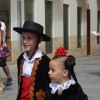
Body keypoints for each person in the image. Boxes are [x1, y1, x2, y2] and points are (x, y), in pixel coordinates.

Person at [13, 21, 51, 100]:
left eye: (29, 38)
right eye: (23, 37)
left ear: (39, 40)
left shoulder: (46, 62)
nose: (25, 41)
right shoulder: (20, 59)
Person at [0, 21, 12, 86]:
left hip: (2, 46)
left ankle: (9, 78)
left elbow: (1, 34)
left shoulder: (2, 24)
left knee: (3, 64)